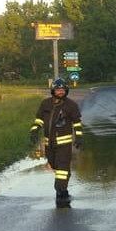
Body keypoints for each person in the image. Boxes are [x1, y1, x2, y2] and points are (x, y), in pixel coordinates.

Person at [29, 78, 83, 207]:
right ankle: (63, 189)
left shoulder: (71, 105)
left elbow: (77, 123)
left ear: (66, 91)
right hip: (49, 144)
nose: (60, 92)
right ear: (53, 90)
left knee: (62, 168)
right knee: (54, 165)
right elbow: (39, 120)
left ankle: (60, 193)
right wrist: (35, 130)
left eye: (62, 90)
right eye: (58, 90)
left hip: (64, 144)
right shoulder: (45, 104)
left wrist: (79, 137)